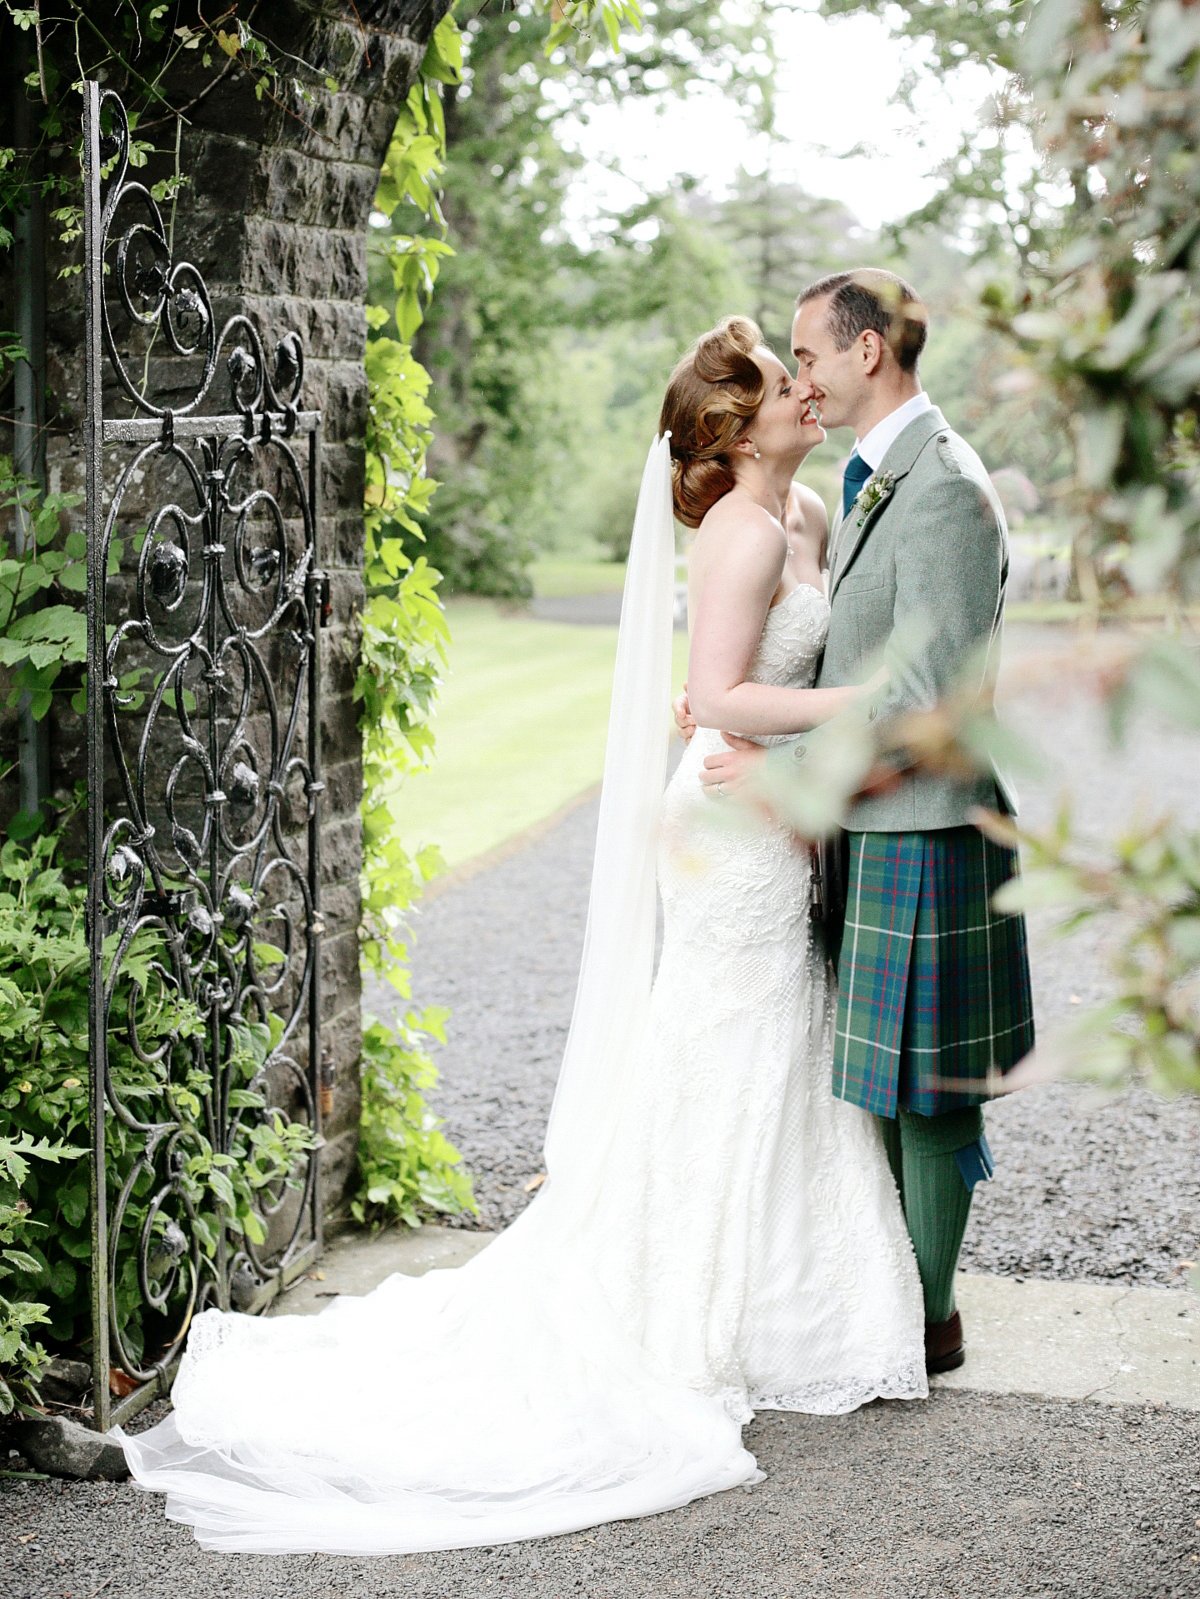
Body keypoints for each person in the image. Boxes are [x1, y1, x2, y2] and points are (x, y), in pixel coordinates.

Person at [116, 314, 925, 1557]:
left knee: (774, 1037)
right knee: (724, 1036)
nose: (806, 396)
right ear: (733, 428)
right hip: (728, 835)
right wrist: (857, 704)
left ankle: (782, 1290)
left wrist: (788, 733)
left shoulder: (803, 515)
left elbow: (734, 681)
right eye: (782, 388)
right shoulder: (741, 532)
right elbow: (713, 698)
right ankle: (687, 1301)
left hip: (763, 809)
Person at [681, 272, 1035, 1376]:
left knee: (927, 1092)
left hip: (924, 825)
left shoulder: (941, 488)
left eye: (812, 355)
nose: (806, 378)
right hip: (877, 827)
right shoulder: (874, 476)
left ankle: (927, 1321)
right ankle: (885, 1297)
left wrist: (792, 785)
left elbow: (923, 695)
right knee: (874, 1080)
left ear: (868, 351)